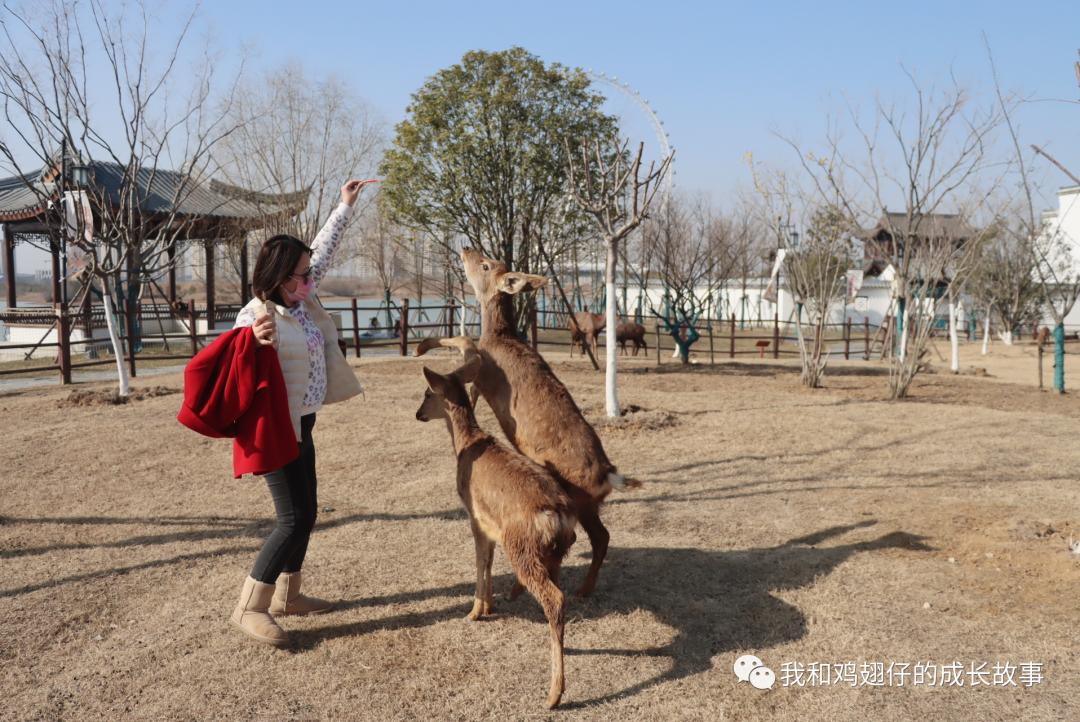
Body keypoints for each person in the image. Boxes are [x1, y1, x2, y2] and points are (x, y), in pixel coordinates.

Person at [228, 178, 376, 647]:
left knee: (307, 512)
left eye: (310, 273)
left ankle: (289, 596)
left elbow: (321, 250)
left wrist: (344, 206)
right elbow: (236, 360)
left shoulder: (300, 298)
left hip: (302, 424)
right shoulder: (257, 316)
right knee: (291, 518)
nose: (310, 281)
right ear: (277, 276)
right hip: (274, 430)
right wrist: (256, 341)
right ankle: (249, 607)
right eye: (301, 275)